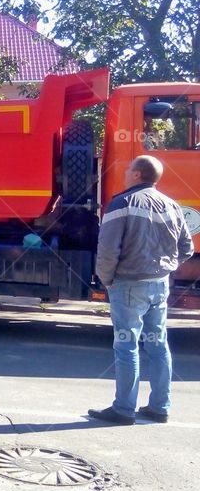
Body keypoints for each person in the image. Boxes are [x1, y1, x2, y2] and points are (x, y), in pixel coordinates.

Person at [89, 155, 194, 425]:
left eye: (127, 169)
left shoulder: (121, 203)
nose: (124, 172)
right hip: (159, 284)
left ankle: (124, 409)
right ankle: (160, 406)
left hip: (128, 284)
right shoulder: (172, 205)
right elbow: (187, 247)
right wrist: (167, 267)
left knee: (127, 347)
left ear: (137, 175)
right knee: (158, 345)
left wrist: (106, 279)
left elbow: (108, 249)